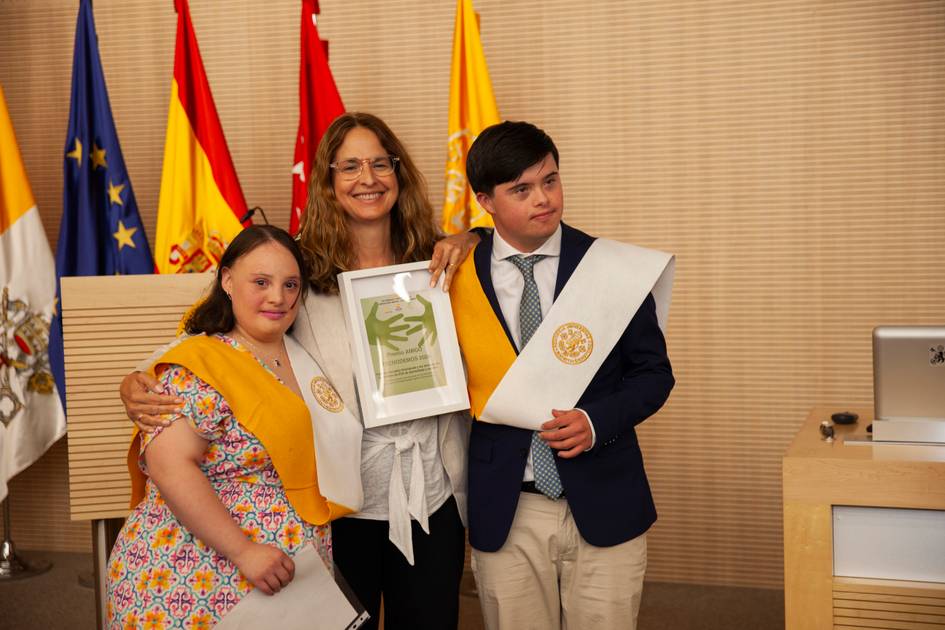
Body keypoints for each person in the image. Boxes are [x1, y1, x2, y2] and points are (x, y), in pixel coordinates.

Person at [120, 112, 478, 629]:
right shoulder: (299, 272)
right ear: (328, 182)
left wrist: (474, 240)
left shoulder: (440, 262)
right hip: (337, 504)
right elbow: (216, 335)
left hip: (429, 493)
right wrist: (136, 377)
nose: (368, 178)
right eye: (350, 166)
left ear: (400, 173)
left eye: (381, 163)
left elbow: (507, 259)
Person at [449, 120, 675, 630]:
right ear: (485, 201)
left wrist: (597, 421)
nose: (543, 199)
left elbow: (654, 374)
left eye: (550, 180)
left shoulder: (610, 267)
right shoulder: (455, 274)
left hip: (605, 493)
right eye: (521, 189)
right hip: (507, 503)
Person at [106, 225, 335, 628]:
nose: (277, 297)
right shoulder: (201, 362)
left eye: (290, 284)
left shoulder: (306, 355)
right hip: (193, 576)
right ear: (227, 279)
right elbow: (169, 465)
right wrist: (244, 551)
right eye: (261, 282)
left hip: (290, 579)